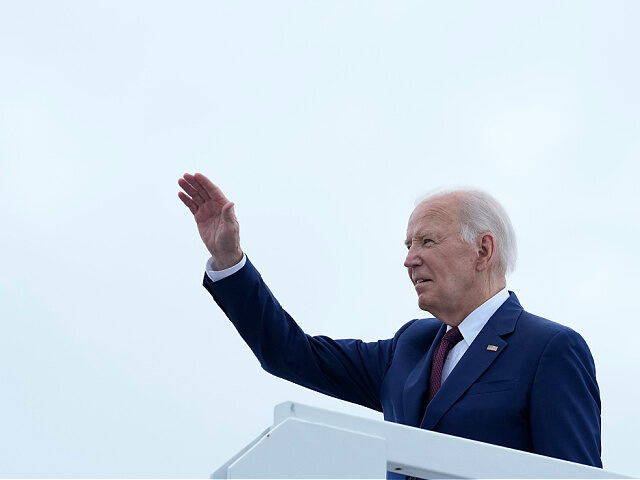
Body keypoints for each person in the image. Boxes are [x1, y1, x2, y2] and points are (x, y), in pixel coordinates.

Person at [178, 172, 602, 470]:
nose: (409, 258)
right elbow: (292, 353)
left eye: (427, 241)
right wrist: (230, 261)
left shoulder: (549, 349)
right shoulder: (411, 348)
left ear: (484, 250)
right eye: (408, 243)